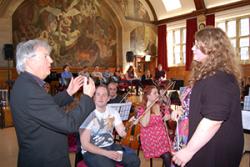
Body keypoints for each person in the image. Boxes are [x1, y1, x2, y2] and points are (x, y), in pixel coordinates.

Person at [10, 39, 96, 167]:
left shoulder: (25, 83)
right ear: (29, 60)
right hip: (45, 160)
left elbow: (46, 106)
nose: (51, 60)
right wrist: (88, 97)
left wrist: (68, 93)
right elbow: (69, 124)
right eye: (45, 56)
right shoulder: (30, 89)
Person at [172, 27, 244, 167]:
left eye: (197, 45)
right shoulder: (211, 74)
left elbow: (214, 120)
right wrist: (183, 113)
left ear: (213, 49)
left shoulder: (218, 78)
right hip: (206, 143)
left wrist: (188, 151)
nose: (192, 48)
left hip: (215, 148)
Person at [79, 85, 140, 167]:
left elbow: (122, 133)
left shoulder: (113, 112)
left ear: (108, 98)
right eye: (98, 94)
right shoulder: (87, 114)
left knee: (134, 160)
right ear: (94, 97)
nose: (101, 97)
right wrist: (106, 153)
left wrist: (130, 124)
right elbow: (85, 145)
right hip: (92, 151)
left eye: (104, 95)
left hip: (110, 146)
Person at [137, 85, 172, 167]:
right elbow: (144, 124)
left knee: (176, 153)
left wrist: (168, 115)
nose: (158, 94)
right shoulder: (141, 108)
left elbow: (168, 116)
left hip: (163, 139)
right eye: (155, 93)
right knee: (167, 156)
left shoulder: (160, 106)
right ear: (148, 96)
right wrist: (149, 106)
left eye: (157, 92)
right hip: (150, 140)